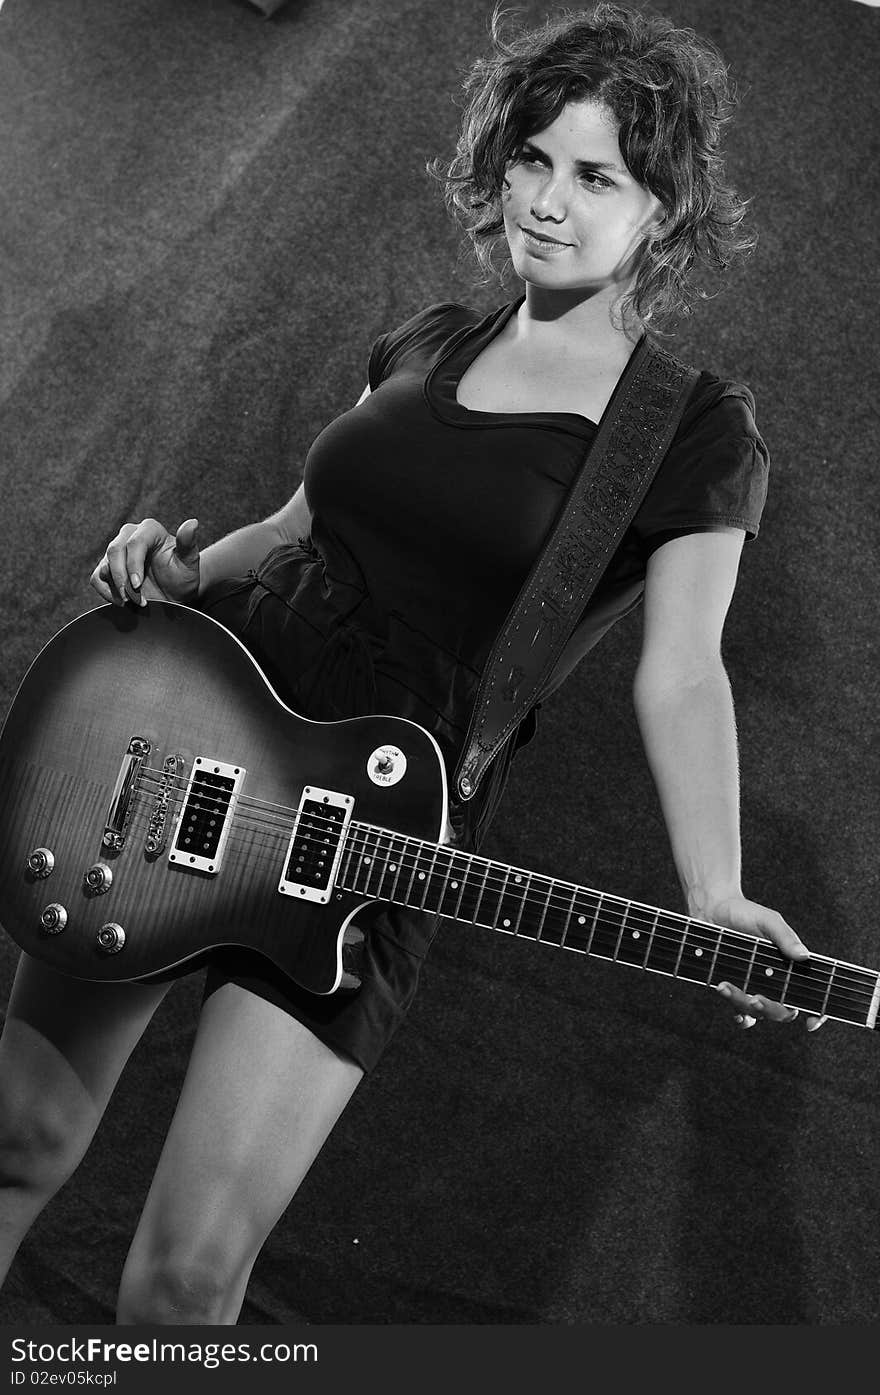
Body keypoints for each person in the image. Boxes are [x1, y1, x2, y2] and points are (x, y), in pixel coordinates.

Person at [0, 3, 826, 1325]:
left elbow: (682, 672)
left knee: (184, 1281)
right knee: (19, 1141)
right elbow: (295, 531)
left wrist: (715, 887)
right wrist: (173, 571)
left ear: (667, 210)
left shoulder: (691, 430)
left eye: (597, 175)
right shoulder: (433, 338)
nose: (548, 202)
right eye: (532, 160)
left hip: (374, 827)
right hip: (187, 753)